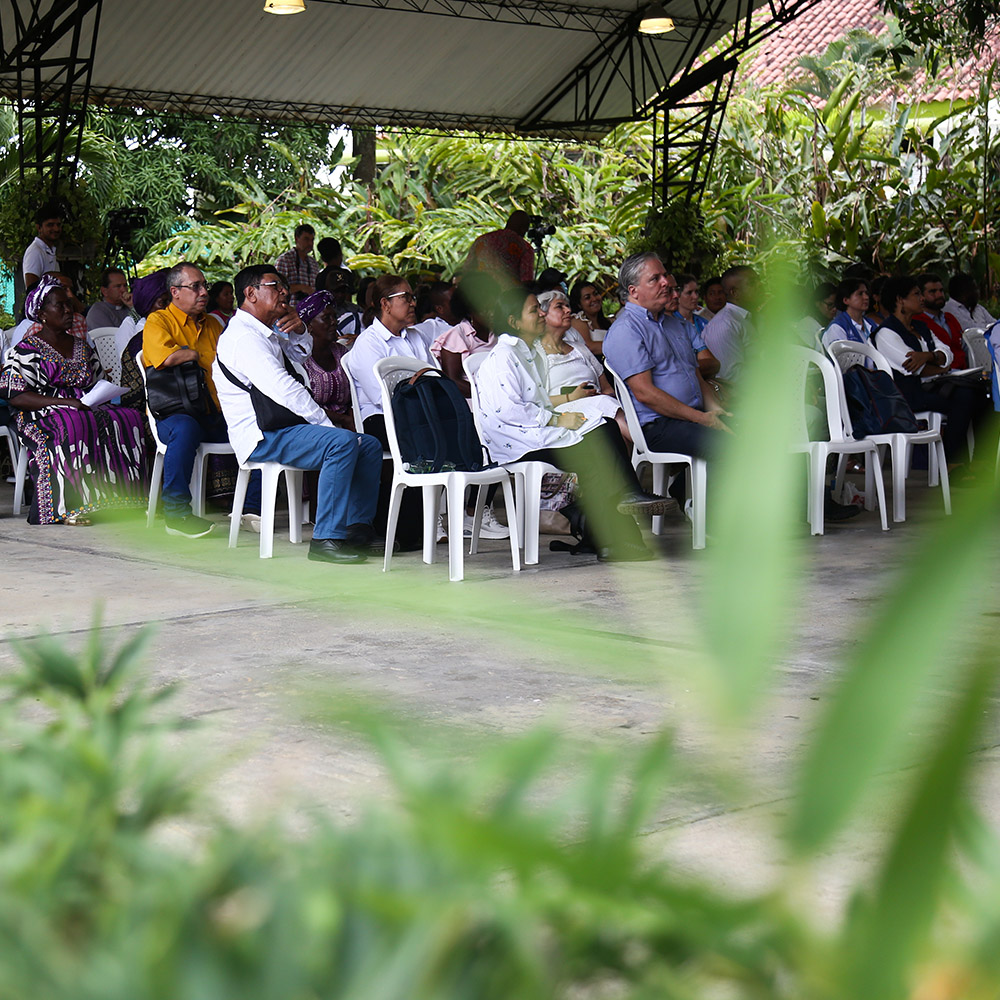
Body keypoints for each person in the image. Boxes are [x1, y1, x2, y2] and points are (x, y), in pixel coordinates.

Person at [474, 284, 671, 562]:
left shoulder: (528, 353)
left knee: (604, 426)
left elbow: (537, 402)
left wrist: (556, 417)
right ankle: (616, 533)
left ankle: (618, 516)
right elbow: (509, 411)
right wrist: (556, 418)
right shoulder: (503, 357)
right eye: (534, 311)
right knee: (596, 455)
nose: (541, 315)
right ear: (514, 322)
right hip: (516, 440)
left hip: (536, 430)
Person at [213, 266, 382, 565]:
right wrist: (327, 424)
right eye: (274, 286)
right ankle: (325, 539)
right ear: (250, 293)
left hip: (283, 427)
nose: (285, 292)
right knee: (341, 443)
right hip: (262, 434)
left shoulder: (265, 332)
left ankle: (356, 529)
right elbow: (284, 389)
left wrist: (301, 329)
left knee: (367, 444)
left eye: (284, 285)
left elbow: (300, 357)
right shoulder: (244, 339)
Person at [0, 275, 148, 525]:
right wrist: (65, 403)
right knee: (72, 424)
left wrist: (100, 395)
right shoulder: (25, 351)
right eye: (60, 305)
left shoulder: (82, 347)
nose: (69, 310)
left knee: (130, 418)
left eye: (69, 304)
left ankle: (126, 500)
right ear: (42, 313)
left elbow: (98, 379)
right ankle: (67, 507)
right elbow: (16, 395)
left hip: (85, 406)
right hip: (40, 414)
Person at [142, 262, 259, 538]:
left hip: (214, 411)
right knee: (185, 429)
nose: (204, 292)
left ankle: (251, 510)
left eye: (204, 285)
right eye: (195, 287)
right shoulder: (158, 321)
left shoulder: (214, 325)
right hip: (174, 413)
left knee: (259, 429)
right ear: (175, 292)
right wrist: (193, 354)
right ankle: (176, 514)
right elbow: (165, 357)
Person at [603, 252, 730, 466]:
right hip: (659, 426)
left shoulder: (674, 324)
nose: (665, 283)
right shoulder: (626, 330)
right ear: (633, 291)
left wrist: (716, 411)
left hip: (693, 417)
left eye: (664, 275)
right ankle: (708, 499)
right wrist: (702, 419)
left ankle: (685, 493)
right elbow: (645, 393)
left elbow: (695, 376)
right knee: (729, 445)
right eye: (655, 279)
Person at [349, 274, 437, 550]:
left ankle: (418, 528)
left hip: (414, 414)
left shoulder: (416, 337)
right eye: (406, 298)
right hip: (379, 417)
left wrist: (417, 388)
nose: (413, 303)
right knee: (422, 441)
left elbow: (435, 378)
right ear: (385, 304)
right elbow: (381, 395)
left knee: (441, 434)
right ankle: (400, 529)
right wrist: (418, 387)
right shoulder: (369, 342)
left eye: (413, 297)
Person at [872, 275, 986, 468]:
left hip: (930, 387)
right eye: (916, 294)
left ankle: (983, 463)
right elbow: (914, 368)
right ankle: (952, 463)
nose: (922, 299)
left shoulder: (920, 326)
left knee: (983, 396)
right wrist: (935, 360)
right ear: (900, 300)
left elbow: (946, 354)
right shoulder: (886, 333)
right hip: (905, 395)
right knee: (964, 397)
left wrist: (926, 356)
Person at [535, 288, 628, 442]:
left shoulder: (579, 348)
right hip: (564, 411)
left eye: (567, 306)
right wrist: (572, 397)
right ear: (543, 314)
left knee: (612, 414)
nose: (568, 310)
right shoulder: (536, 354)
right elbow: (535, 401)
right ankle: (647, 445)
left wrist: (603, 396)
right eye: (560, 307)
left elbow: (606, 388)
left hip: (598, 404)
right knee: (609, 410)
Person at [430, 273, 498, 397]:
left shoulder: (498, 333)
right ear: (470, 309)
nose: (492, 313)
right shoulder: (456, 337)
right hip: (474, 404)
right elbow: (452, 381)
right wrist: (487, 395)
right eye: (486, 309)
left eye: (494, 307)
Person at [297, 291, 353, 430]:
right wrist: (343, 419)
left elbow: (356, 393)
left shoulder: (341, 352)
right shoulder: (300, 359)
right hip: (315, 427)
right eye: (326, 318)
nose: (334, 322)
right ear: (309, 326)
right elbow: (302, 403)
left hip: (349, 423)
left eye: (334, 317)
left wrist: (353, 418)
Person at [702, 265, 759, 382]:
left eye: (759, 281)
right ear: (735, 293)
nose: (760, 286)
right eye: (752, 283)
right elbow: (731, 377)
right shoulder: (725, 324)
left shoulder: (744, 318)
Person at [464, 210, 535, 286]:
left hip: (478, 289)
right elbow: (526, 281)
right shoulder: (525, 248)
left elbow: (467, 269)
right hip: (506, 294)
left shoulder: (482, 240)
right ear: (523, 229)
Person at [914, 272, 967, 369]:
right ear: (921, 296)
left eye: (941, 290)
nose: (939, 295)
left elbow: (964, 347)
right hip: (940, 376)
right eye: (933, 292)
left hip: (964, 372)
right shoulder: (917, 322)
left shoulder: (950, 318)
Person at [673, 273, 721, 379]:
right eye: (689, 293)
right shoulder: (673, 323)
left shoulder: (704, 322)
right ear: (677, 295)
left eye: (696, 292)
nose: (695, 297)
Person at [821, 277, 878, 359]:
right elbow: (843, 361)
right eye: (860, 294)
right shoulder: (837, 328)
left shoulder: (870, 324)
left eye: (866, 293)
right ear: (846, 300)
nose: (866, 297)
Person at [22, 203, 62, 293]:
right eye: (50, 225)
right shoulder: (35, 252)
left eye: (58, 225)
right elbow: (31, 289)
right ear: (39, 228)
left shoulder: (50, 250)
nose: (56, 229)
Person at [275, 223, 320, 302]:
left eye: (312, 240)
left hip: (311, 311)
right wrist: (301, 288)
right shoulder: (285, 260)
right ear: (296, 239)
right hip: (291, 310)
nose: (310, 243)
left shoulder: (313, 263)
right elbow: (277, 288)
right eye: (306, 239)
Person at [569, 280, 612, 355]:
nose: (594, 299)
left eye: (596, 294)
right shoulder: (578, 321)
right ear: (579, 304)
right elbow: (588, 347)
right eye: (587, 297)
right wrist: (620, 346)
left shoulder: (608, 321)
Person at [413, 280, 457, 352]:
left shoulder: (470, 320)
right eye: (454, 301)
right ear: (440, 309)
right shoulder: (431, 328)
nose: (460, 302)